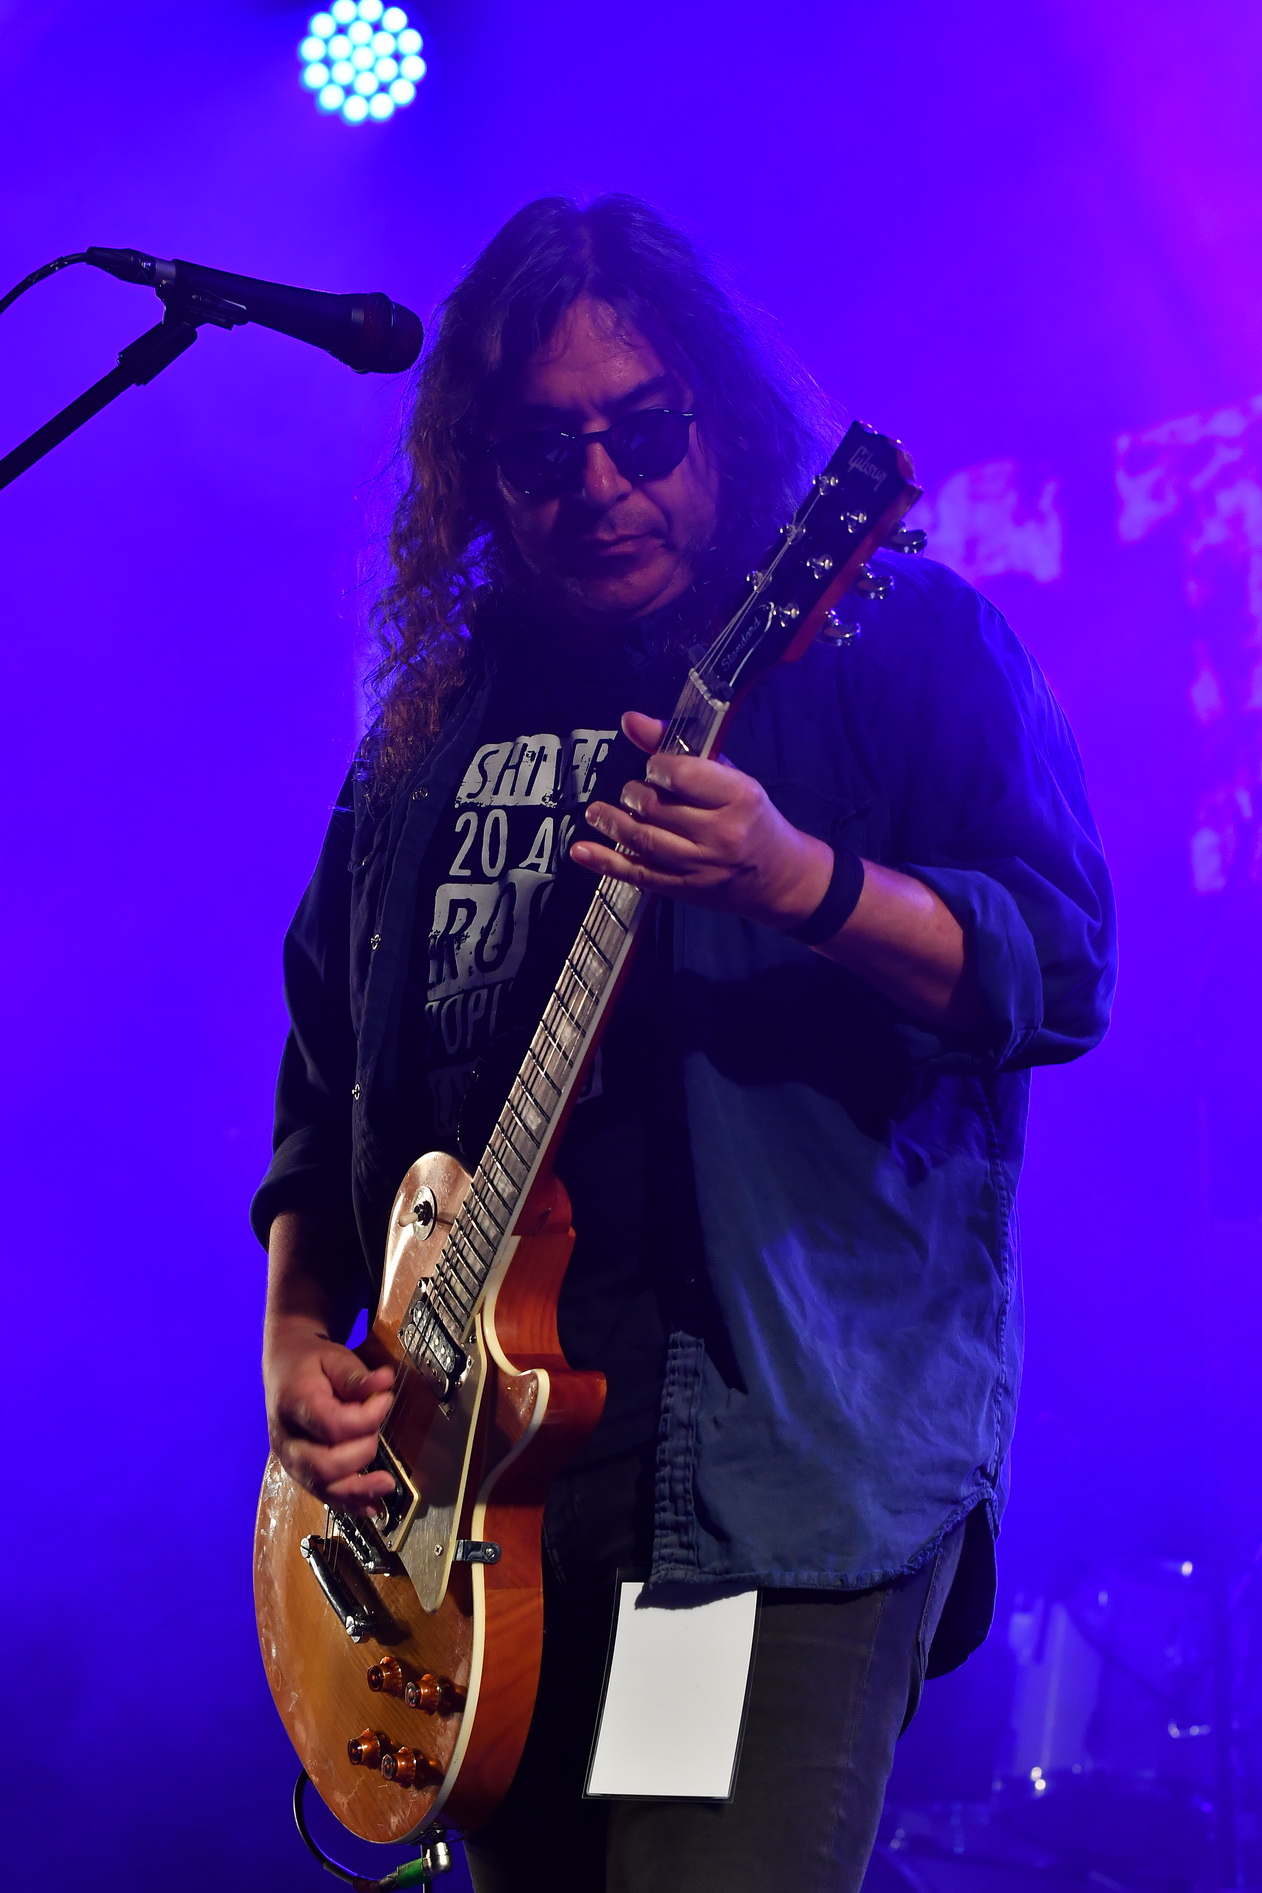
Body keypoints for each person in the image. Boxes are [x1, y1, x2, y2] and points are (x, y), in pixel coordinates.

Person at [252, 195, 1116, 1893]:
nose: (598, 485)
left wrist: (804, 882)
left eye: (642, 432)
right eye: (540, 451)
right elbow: (326, 1068)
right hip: (469, 1517)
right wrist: (293, 1335)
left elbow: (1059, 964)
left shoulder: (879, 642)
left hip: (736, 1518)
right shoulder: (430, 726)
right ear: (479, 474)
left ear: (717, 416)